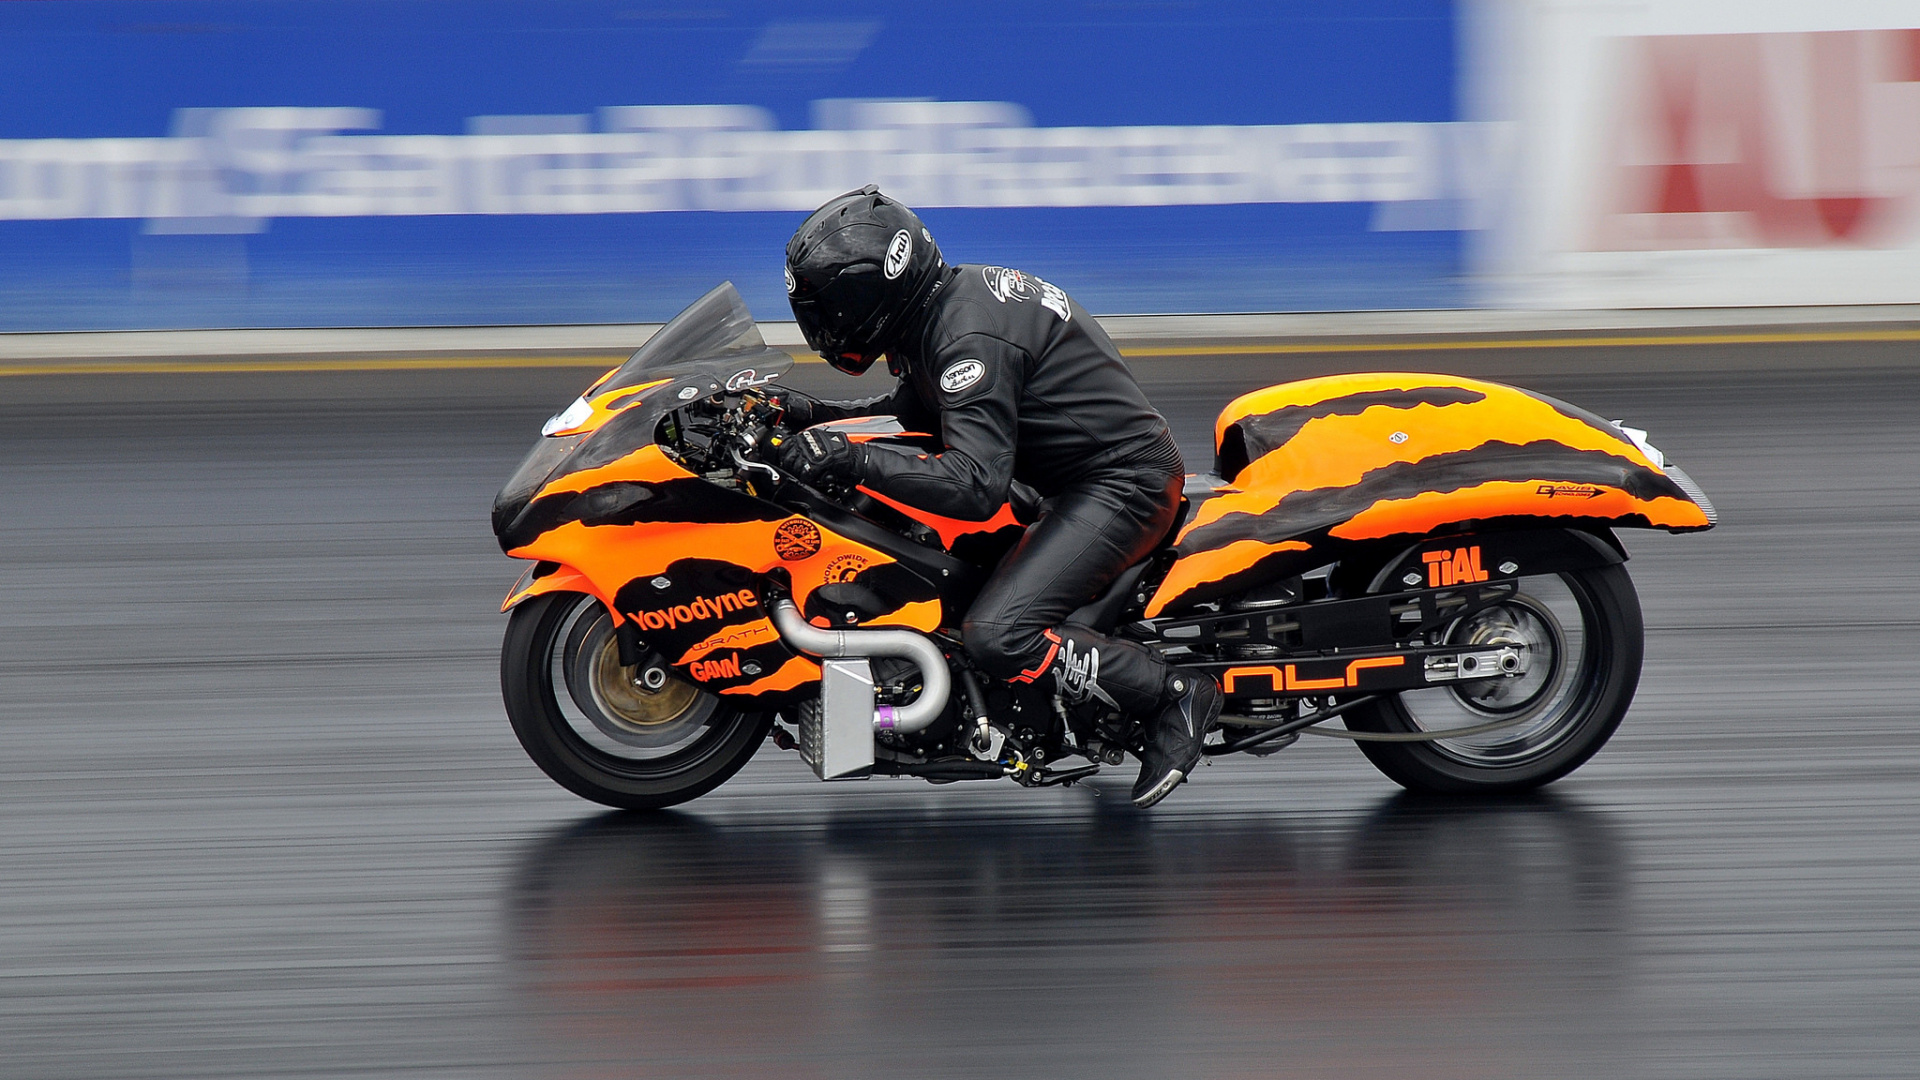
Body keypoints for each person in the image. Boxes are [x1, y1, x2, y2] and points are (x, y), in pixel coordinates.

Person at [774, 185, 1220, 807]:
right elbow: (917, 411)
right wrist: (811, 415)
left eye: (829, 307)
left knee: (997, 634)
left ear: (871, 292)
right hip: (1063, 480)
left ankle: (1173, 694)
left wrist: (851, 458)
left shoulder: (965, 337)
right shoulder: (942, 310)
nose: (822, 325)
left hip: (1120, 484)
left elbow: (976, 483)